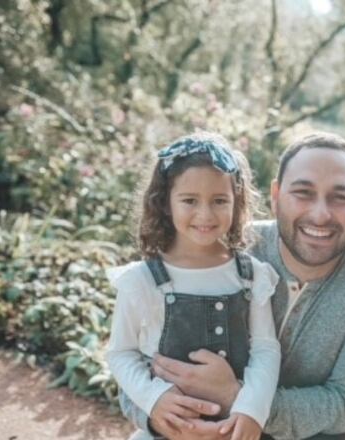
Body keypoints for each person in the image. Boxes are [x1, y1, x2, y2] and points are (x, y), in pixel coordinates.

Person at [119, 132, 345, 440]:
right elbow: (139, 364)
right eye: (303, 192)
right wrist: (163, 416)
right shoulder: (227, 246)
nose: (320, 214)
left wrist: (238, 400)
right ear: (276, 195)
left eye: (341, 197)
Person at [106, 132, 281, 440]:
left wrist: (252, 408)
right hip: (167, 431)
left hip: (232, 429)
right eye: (189, 200)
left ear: (236, 202)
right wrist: (153, 400)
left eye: (219, 201)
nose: (205, 214)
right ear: (165, 204)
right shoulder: (141, 280)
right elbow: (121, 353)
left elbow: (265, 347)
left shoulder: (251, 274)